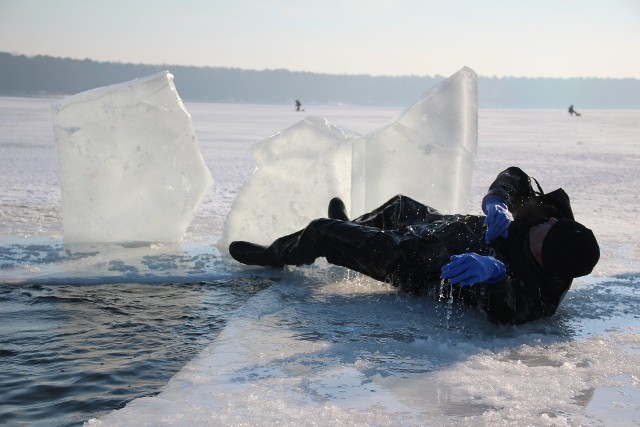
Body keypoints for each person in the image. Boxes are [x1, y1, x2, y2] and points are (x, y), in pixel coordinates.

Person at [229, 166, 600, 325]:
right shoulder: (558, 225)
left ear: (540, 255)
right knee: (399, 205)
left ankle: (274, 255)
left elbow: (508, 314)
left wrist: (496, 274)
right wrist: (497, 199)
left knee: (322, 231)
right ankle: (350, 228)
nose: (546, 219)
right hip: (438, 225)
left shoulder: (536, 297)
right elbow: (516, 177)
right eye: (552, 220)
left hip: (412, 260)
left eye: (546, 228)